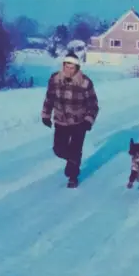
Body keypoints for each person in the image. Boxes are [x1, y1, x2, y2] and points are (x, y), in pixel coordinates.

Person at [41, 52, 99, 188]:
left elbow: (93, 104)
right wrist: (45, 115)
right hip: (61, 121)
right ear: (63, 66)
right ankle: (73, 159)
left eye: (72, 67)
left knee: (76, 148)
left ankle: (73, 177)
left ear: (77, 68)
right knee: (58, 149)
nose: (69, 70)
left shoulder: (85, 82)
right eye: (67, 67)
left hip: (79, 122)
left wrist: (88, 121)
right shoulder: (55, 79)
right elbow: (49, 98)